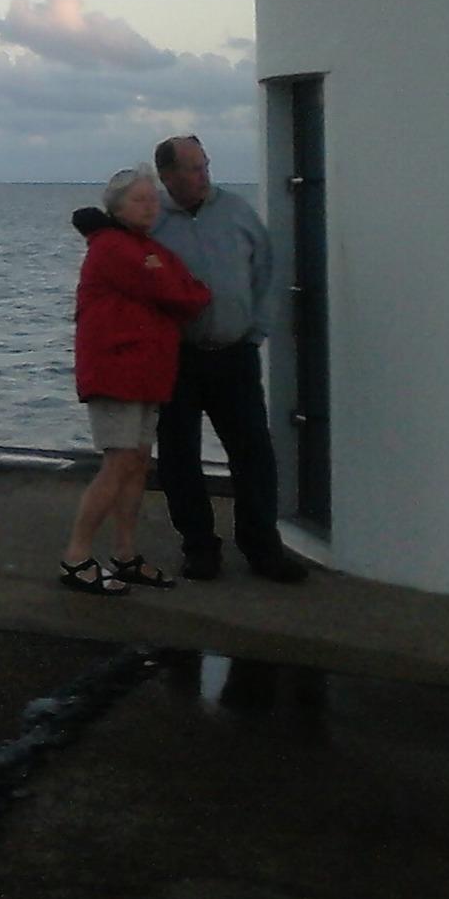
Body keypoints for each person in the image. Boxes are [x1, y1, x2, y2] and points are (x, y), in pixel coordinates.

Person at [152, 135, 309, 583]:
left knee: (254, 452)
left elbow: (267, 273)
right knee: (179, 457)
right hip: (177, 359)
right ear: (167, 175)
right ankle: (199, 547)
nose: (204, 175)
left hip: (234, 356)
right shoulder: (151, 221)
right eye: (193, 168)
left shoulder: (237, 212)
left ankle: (262, 547)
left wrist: (255, 332)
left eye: (205, 165)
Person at [61, 166, 213, 595]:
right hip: (118, 371)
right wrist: (186, 289)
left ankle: (125, 553)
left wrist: (182, 286)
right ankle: (76, 556)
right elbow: (178, 292)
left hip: (145, 372)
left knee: (136, 464)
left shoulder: (144, 247)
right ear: (117, 207)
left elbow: (182, 286)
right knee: (119, 464)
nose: (150, 207)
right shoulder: (114, 247)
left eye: (153, 199)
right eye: (139, 200)